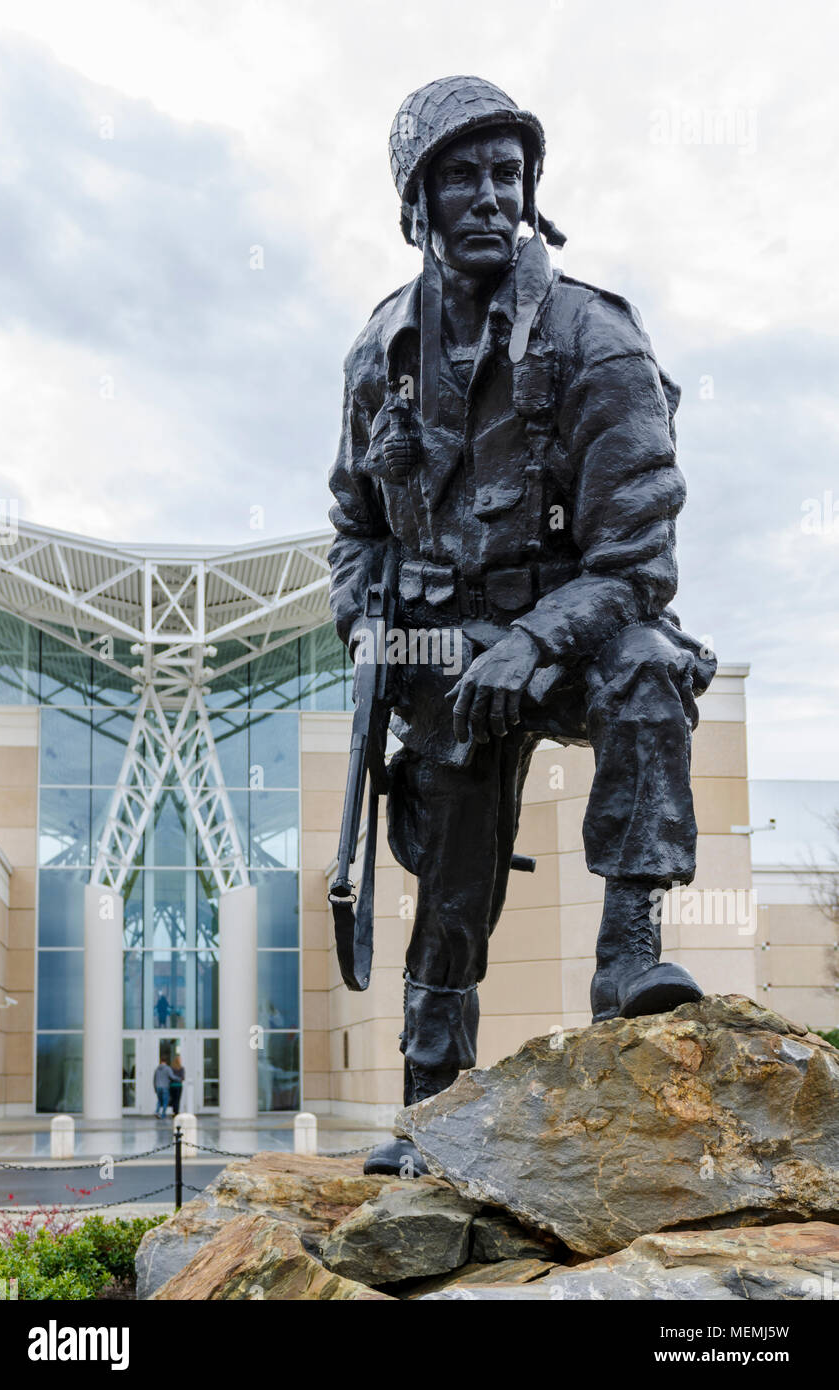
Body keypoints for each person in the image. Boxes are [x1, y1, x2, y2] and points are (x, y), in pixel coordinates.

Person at [328, 76, 716, 1174]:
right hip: (443, 658)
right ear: (418, 204)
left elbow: (638, 563)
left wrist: (539, 639)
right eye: (464, 176)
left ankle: (629, 964)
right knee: (452, 870)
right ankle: (429, 1106)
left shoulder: (595, 337)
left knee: (649, 669)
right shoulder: (378, 354)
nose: (491, 197)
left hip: (571, 638)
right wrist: (371, 632)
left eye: (509, 174)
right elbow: (353, 525)